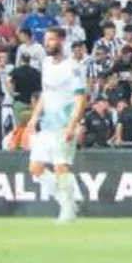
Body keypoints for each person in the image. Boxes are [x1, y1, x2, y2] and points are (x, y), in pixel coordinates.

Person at [25, 27, 87, 223]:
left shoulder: (73, 67)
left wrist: (72, 125)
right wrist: (34, 117)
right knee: (35, 167)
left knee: (61, 166)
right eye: (46, 39)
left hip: (64, 123)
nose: (47, 43)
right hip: (47, 124)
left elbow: (80, 99)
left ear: (62, 41)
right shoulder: (45, 63)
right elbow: (46, 93)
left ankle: (67, 212)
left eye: (51, 39)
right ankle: (67, 200)